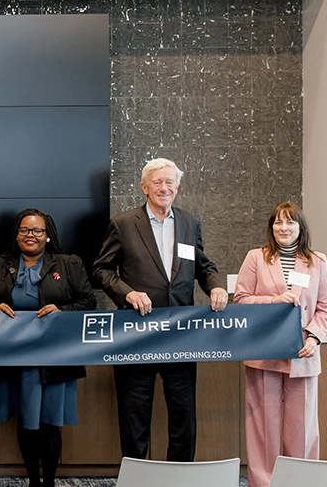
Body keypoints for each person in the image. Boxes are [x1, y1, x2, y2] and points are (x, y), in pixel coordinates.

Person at [92, 157, 228, 462]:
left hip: (180, 335)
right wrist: (127, 293)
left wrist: (216, 286)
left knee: (184, 414)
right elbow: (101, 270)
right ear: (144, 187)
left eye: (169, 182)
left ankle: (179, 477)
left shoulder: (190, 223)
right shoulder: (123, 224)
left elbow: (204, 267)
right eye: (157, 182)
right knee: (134, 414)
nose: (164, 188)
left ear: (177, 187)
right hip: (136, 334)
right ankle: (136, 477)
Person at [0, 208, 95, 487]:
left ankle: (49, 483)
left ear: (47, 236)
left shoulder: (68, 264)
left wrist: (62, 310)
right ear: (16, 234)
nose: (30, 235)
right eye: (24, 230)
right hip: (14, 356)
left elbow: (88, 302)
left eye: (37, 231)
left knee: (49, 423)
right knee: (26, 421)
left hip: (54, 357)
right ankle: (34, 481)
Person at [234, 201, 327, 487]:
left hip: (303, 353)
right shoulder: (256, 257)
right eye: (278, 222)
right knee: (263, 427)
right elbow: (240, 299)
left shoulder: (317, 261)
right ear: (271, 227)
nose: (284, 227)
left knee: (302, 428)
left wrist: (314, 336)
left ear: (300, 227)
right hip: (264, 353)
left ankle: (301, 482)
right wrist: (273, 300)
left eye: (290, 222)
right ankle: (263, 483)